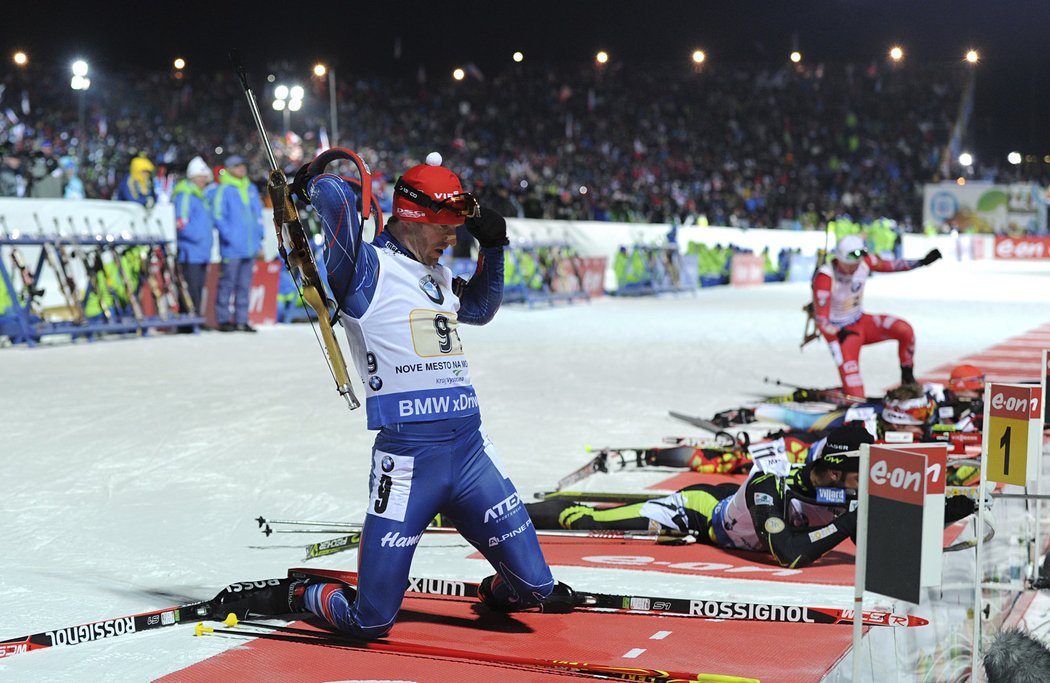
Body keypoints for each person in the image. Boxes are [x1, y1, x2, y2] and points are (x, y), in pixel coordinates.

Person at [212, 151, 571, 637]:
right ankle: (299, 595)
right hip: (407, 467)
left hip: (470, 456)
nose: (452, 239)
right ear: (413, 219)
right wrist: (307, 181)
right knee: (372, 619)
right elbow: (339, 196)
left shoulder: (437, 275)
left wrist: (494, 243)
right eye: (445, 228)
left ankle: (497, 589)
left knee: (536, 591)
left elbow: (482, 309)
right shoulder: (364, 270)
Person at [528, 423, 877, 568]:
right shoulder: (773, 483)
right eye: (863, 473)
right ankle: (510, 512)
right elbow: (788, 554)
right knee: (593, 519)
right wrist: (847, 521)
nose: (870, 481)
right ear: (834, 471)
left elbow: (873, 547)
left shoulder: (846, 491)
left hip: (741, 512)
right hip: (702, 513)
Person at [811, 234, 942, 398]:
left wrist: (921, 262)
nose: (854, 268)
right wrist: (837, 332)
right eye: (849, 264)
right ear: (839, 259)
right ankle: (830, 393)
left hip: (860, 321)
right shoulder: (825, 277)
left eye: (856, 263)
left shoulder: (864, 263)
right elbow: (821, 321)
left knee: (905, 330)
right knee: (856, 397)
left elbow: (892, 265)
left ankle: (907, 378)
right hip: (840, 334)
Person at [211, 154, 263, 332]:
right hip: (232, 247)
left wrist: (259, 237)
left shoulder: (251, 188)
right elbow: (218, 216)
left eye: (243, 165)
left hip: (249, 246)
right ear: (230, 169)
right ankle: (223, 319)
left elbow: (258, 215)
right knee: (227, 283)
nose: (242, 169)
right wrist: (230, 237)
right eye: (237, 166)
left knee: (244, 285)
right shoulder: (223, 189)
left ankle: (242, 319)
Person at [171, 156, 215, 316]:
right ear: (192, 177)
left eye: (205, 177)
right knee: (190, 287)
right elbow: (181, 223)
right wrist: (197, 237)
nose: (203, 180)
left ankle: (195, 317)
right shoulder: (185, 195)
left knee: (198, 287)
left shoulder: (201, 195)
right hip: (190, 251)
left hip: (201, 251)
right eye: (200, 176)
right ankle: (188, 320)